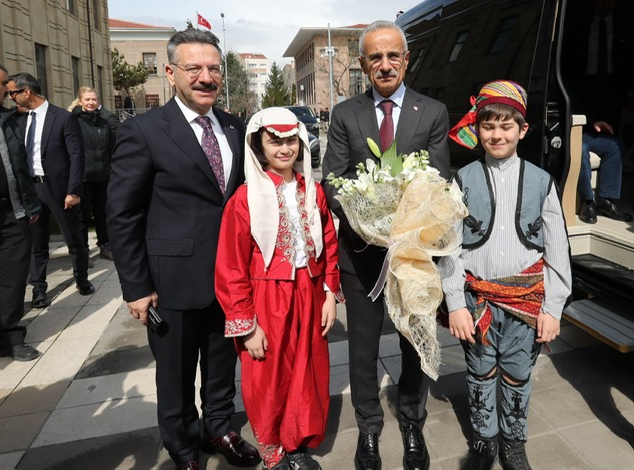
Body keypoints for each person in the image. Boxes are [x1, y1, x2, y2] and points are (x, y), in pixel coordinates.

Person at [106, 28, 260, 470]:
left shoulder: (234, 126)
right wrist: (136, 287)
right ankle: (182, 446)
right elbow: (122, 215)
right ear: (172, 73)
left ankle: (219, 428)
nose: (206, 77)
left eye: (213, 68)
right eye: (194, 68)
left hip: (230, 281)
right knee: (174, 375)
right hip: (171, 284)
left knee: (219, 366)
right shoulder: (144, 130)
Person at [321, 20, 451, 470]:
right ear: (362, 64)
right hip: (361, 255)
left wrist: (406, 230)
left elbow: (440, 182)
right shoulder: (344, 114)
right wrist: (370, 225)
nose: (385, 64)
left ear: (406, 59)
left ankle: (413, 422)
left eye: (393, 55)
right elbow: (333, 182)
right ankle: (369, 429)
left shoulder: (431, 112)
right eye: (375, 57)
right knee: (362, 348)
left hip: (412, 257)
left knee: (413, 342)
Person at [440, 80, 572, 469]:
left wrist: (553, 308)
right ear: (477, 128)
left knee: (518, 372)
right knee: (480, 371)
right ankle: (484, 438)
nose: (496, 135)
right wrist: (454, 304)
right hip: (476, 302)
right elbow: (449, 248)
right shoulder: (461, 180)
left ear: (523, 130)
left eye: (506, 126)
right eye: (488, 126)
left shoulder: (542, 182)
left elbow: (558, 251)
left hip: (526, 303)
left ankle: (514, 441)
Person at [215, 107, 344, 470]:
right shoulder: (245, 199)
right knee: (267, 374)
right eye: (275, 141)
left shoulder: (312, 191)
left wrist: (330, 295)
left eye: (291, 140)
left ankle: (297, 439)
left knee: (307, 369)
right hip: (267, 299)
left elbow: (329, 245)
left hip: (309, 291)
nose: (284, 149)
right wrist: (247, 325)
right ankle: (271, 444)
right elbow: (231, 267)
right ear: (259, 144)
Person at [7, 72, 93, 309]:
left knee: (73, 237)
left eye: (13, 93)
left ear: (27, 92)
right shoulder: (17, 119)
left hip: (58, 188)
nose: (10, 97)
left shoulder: (63, 118)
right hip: (30, 188)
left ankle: (82, 278)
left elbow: (77, 156)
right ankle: (39, 289)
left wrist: (74, 191)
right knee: (37, 240)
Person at [562, 0, 633, 224]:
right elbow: (569, 84)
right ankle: (588, 201)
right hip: (572, 123)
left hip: (604, 106)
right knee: (579, 147)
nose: (605, 2)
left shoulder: (624, 28)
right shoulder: (575, 34)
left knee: (615, 146)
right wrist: (590, 119)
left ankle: (605, 200)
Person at [0, 63, 42, 361]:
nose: (7, 91)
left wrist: (30, 204)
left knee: (12, 279)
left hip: (11, 212)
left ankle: (10, 337)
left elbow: (20, 165)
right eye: (2, 84)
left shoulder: (9, 121)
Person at [69, 86, 115, 261]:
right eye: (87, 99)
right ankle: (84, 250)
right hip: (83, 178)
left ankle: (105, 244)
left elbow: (111, 149)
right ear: (80, 101)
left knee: (103, 214)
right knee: (83, 217)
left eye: (94, 99)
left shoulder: (104, 122)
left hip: (103, 176)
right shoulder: (73, 121)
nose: (91, 102)